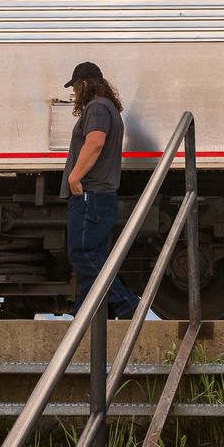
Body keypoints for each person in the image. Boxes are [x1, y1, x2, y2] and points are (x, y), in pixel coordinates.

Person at [63, 62, 140, 320]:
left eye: (75, 87)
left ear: (84, 84)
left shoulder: (96, 107)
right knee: (93, 255)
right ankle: (84, 314)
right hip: (100, 195)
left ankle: (127, 304)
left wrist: (75, 178)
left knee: (82, 253)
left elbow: (95, 142)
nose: (74, 93)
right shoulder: (108, 108)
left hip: (90, 194)